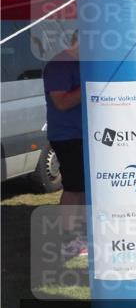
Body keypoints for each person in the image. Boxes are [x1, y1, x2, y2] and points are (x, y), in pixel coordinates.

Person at [42, 31, 88, 257]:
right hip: (68, 136)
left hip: (87, 135)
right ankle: (70, 239)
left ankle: (82, 235)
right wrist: (89, 82)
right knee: (74, 188)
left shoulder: (82, 63)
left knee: (85, 188)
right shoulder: (60, 64)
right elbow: (61, 102)